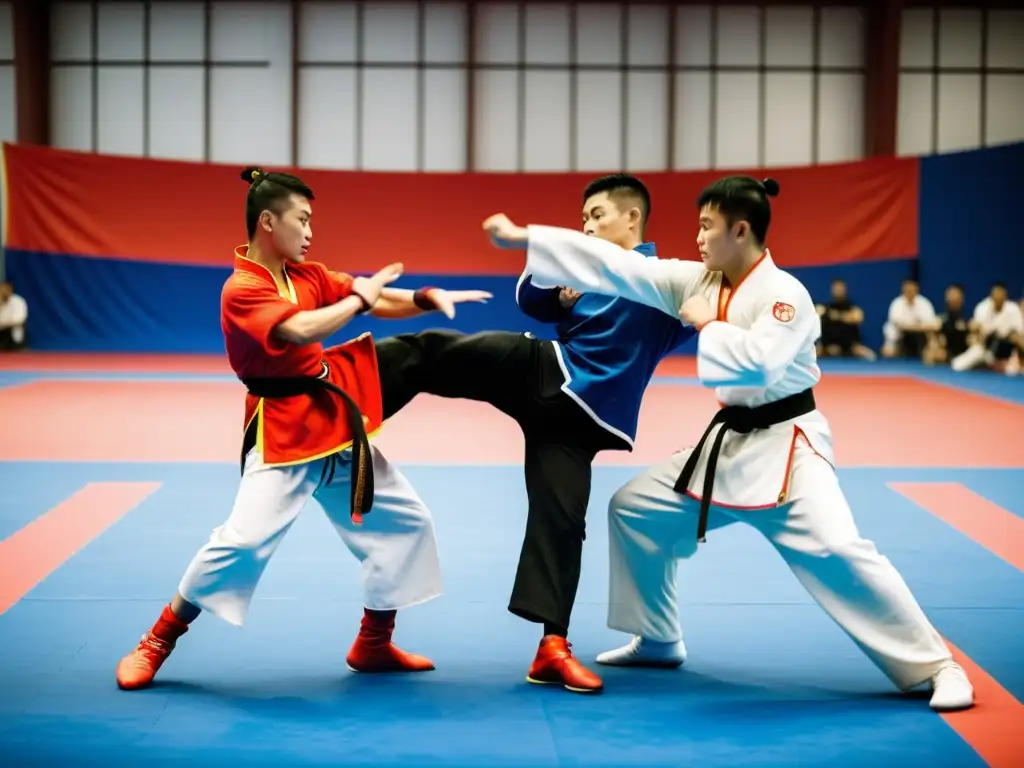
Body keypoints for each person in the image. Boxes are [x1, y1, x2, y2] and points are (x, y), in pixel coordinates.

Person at [480, 175, 975, 711]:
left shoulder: (786, 296)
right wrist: (525, 239)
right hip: (729, 444)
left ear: (741, 231)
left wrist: (706, 326)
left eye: (706, 227)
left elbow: (760, 364)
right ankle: (659, 638)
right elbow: (623, 266)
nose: (697, 238)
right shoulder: (698, 280)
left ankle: (937, 665)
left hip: (789, 448)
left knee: (838, 548)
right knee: (634, 510)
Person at [115, 166, 491, 690]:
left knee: (407, 523)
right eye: (303, 219)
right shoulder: (241, 289)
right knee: (241, 542)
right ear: (268, 222)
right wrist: (358, 299)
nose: (311, 231)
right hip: (282, 430)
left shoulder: (308, 274)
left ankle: (374, 643)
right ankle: (157, 641)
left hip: (335, 422)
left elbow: (375, 297)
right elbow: (298, 328)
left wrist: (426, 298)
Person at [375, 174, 695, 694]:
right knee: (436, 352)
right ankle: (342, 400)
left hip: (581, 423)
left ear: (632, 218)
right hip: (542, 371)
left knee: (563, 522)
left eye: (598, 215)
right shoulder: (581, 264)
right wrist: (561, 294)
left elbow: (723, 301)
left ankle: (553, 647)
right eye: (584, 218)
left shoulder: (667, 280)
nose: (587, 225)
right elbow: (531, 298)